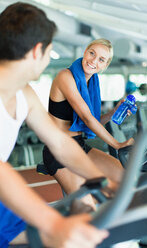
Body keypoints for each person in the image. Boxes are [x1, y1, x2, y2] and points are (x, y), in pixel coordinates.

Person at [0, 3, 109, 247]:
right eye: (50, 52)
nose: (50, 58)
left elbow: (59, 141)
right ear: (38, 50)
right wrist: (53, 223)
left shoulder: (24, 94)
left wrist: (100, 181)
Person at [38, 38, 134, 200]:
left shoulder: (91, 84)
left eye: (101, 59)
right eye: (92, 53)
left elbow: (92, 122)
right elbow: (87, 119)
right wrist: (117, 144)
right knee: (87, 205)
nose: (94, 61)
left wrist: (113, 113)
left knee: (127, 181)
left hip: (79, 147)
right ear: (85, 52)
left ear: (105, 65)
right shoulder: (65, 77)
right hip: (59, 151)